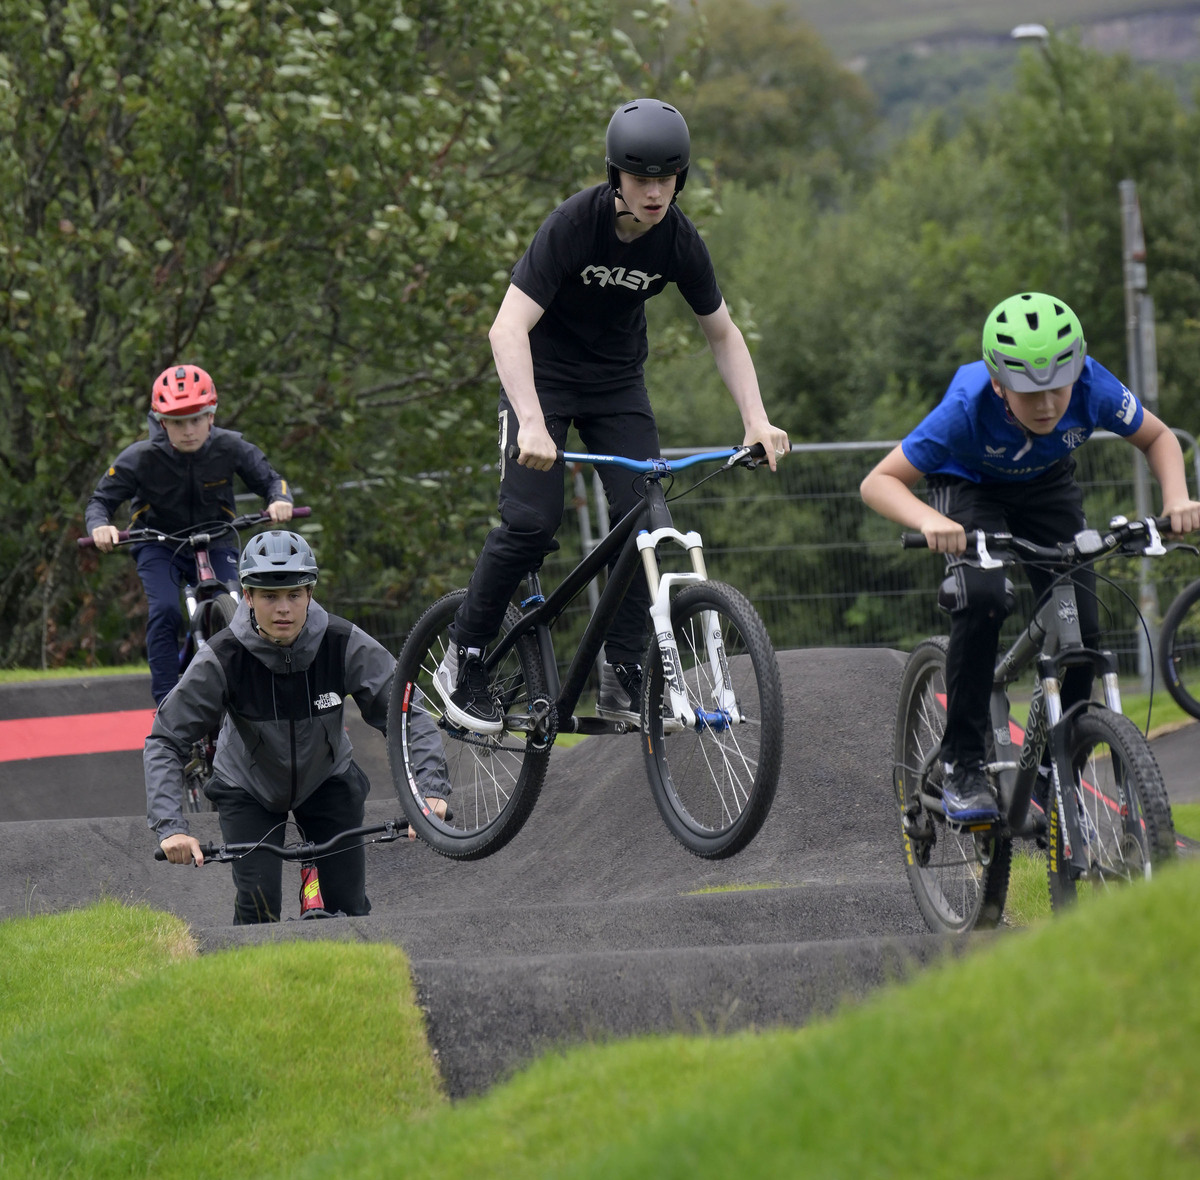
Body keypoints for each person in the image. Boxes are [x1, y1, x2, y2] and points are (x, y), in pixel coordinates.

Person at [434, 96, 790, 734]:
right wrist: (534, 424)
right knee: (531, 523)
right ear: (616, 177)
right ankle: (464, 656)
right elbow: (506, 329)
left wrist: (756, 421)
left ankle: (625, 677)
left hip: (617, 385)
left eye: (667, 179)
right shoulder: (574, 224)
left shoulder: (679, 239)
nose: (656, 193)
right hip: (539, 380)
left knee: (643, 524)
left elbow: (722, 333)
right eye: (642, 179)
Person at [860, 290, 1200, 822]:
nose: (1045, 405)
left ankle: (1050, 775)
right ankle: (963, 766)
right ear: (999, 384)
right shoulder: (965, 407)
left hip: (1047, 486)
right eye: (1027, 393)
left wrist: (1175, 498)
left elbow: (1158, 438)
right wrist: (931, 522)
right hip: (969, 488)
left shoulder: (1094, 386)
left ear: (1079, 370)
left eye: (1057, 390)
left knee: (1085, 631)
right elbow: (879, 482)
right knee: (985, 596)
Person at [145, 531, 451, 924]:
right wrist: (171, 828)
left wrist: (429, 792)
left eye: (294, 594)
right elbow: (165, 738)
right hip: (248, 788)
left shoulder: (343, 642)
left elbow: (407, 714)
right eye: (269, 597)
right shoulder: (222, 657)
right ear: (249, 597)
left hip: (327, 780)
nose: (283, 608)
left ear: (310, 593)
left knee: (350, 908)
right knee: (258, 911)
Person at [85, 364, 294, 705]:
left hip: (217, 538)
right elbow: (100, 502)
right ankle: (167, 706)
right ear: (161, 421)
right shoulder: (139, 458)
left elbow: (273, 480)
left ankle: (253, 692)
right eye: (178, 422)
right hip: (158, 544)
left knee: (240, 607)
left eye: (196, 419)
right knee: (166, 610)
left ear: (211, 416)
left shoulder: (230, 447)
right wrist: (100, 526)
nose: (188, 430)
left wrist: (280, 500)